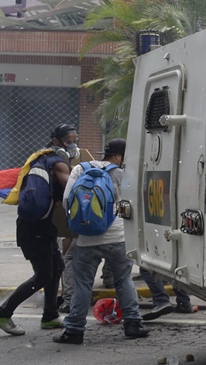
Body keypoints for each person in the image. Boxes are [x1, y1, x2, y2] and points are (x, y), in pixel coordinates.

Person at [53, 138, 144, 344]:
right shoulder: (122, 174)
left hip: (87, 239)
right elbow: (132, 207)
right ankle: (132, 325)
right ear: (119, 156)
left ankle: (74, 331)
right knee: (123, 280)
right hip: (117, 237)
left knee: (83, 284)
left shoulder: (79, 170)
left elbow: (68, 200)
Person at [0, 124, 74, 335]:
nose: (74, 145)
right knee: (43, 275)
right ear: (56, 142)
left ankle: (50, 315)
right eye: (69, 140)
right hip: (34, 228)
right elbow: (72, 187)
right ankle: (1, 314)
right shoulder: (58, 163)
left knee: (57, 266)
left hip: (41, 226)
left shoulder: (42, 159)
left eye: (75, 139)